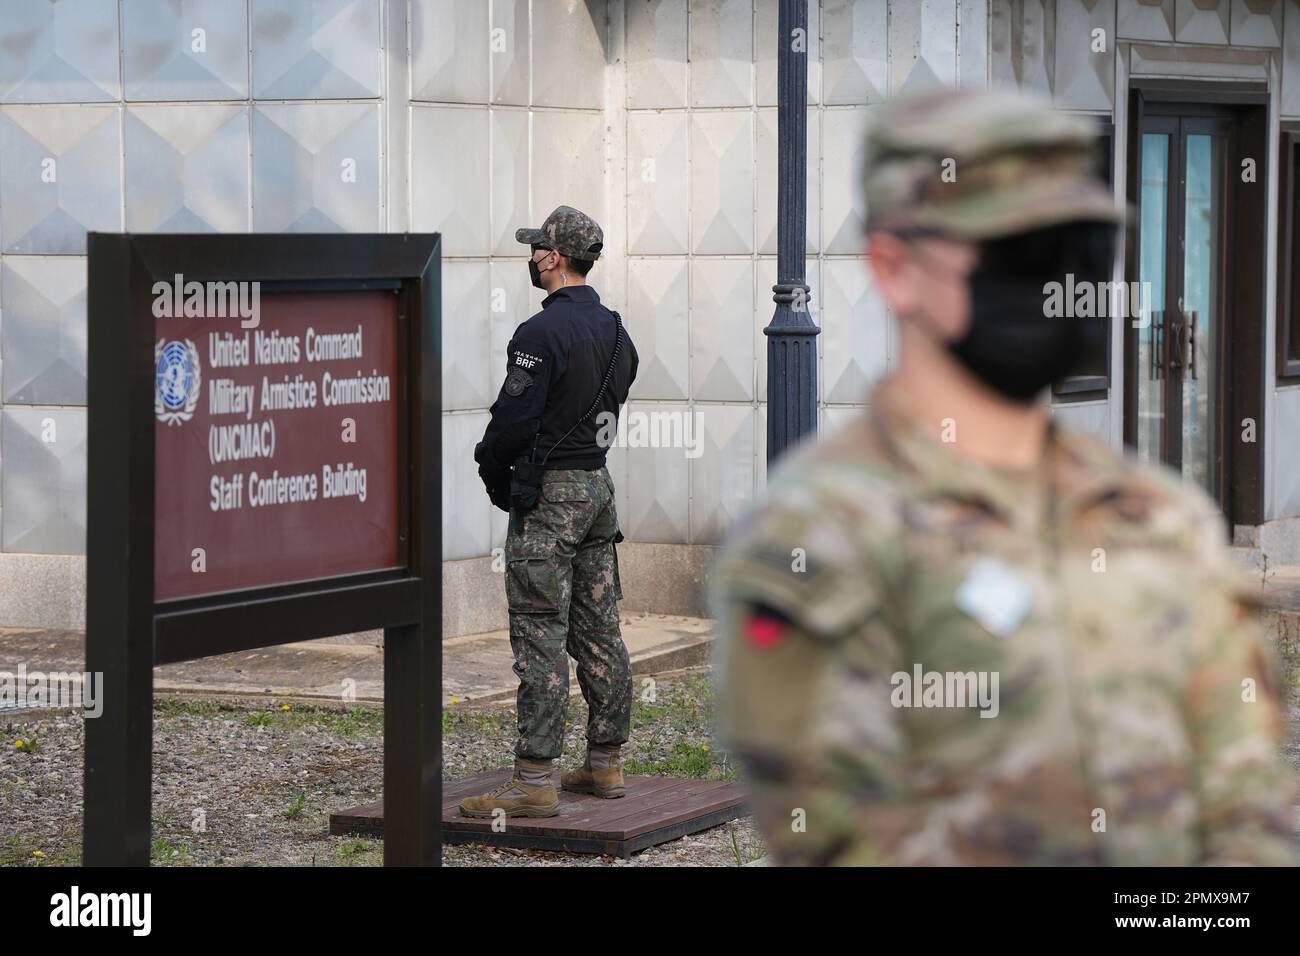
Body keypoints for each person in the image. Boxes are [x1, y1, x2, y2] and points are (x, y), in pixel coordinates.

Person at [711, 88, 1296, 865]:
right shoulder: (817, 539)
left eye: (1078, 254)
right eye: (1018, 257)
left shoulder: (1161, 515)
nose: (1059, 287)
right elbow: (843, 838)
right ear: (895, 268)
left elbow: (1250, 799)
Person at [460, 205, 639, 819]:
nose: (532, 257)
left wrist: (492, 469)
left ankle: (535, 778)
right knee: (600, 627)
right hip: (598, 489)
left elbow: (511, 424)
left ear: (554, 258)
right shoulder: (618, 332)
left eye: (538, 248)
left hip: (551, 500)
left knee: (540, 630)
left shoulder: (538, 335)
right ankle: (605, 762)